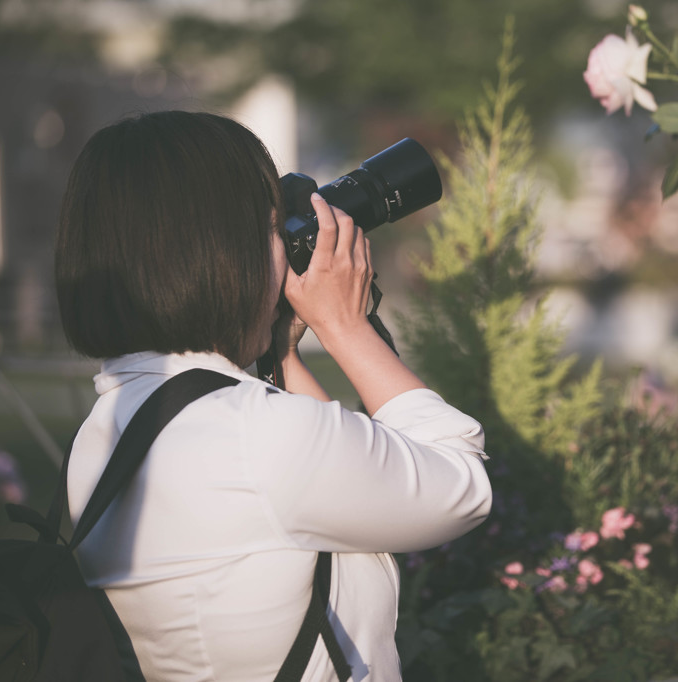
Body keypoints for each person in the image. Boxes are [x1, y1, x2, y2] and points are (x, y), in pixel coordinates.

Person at [54, 111, 492, 681]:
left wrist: (279, 351)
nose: (284, 248)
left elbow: (308, 479)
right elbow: (462, 483)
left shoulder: (108, 428)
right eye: (269, 228)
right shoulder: (256, 439)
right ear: (216, 251)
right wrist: (346, 326)